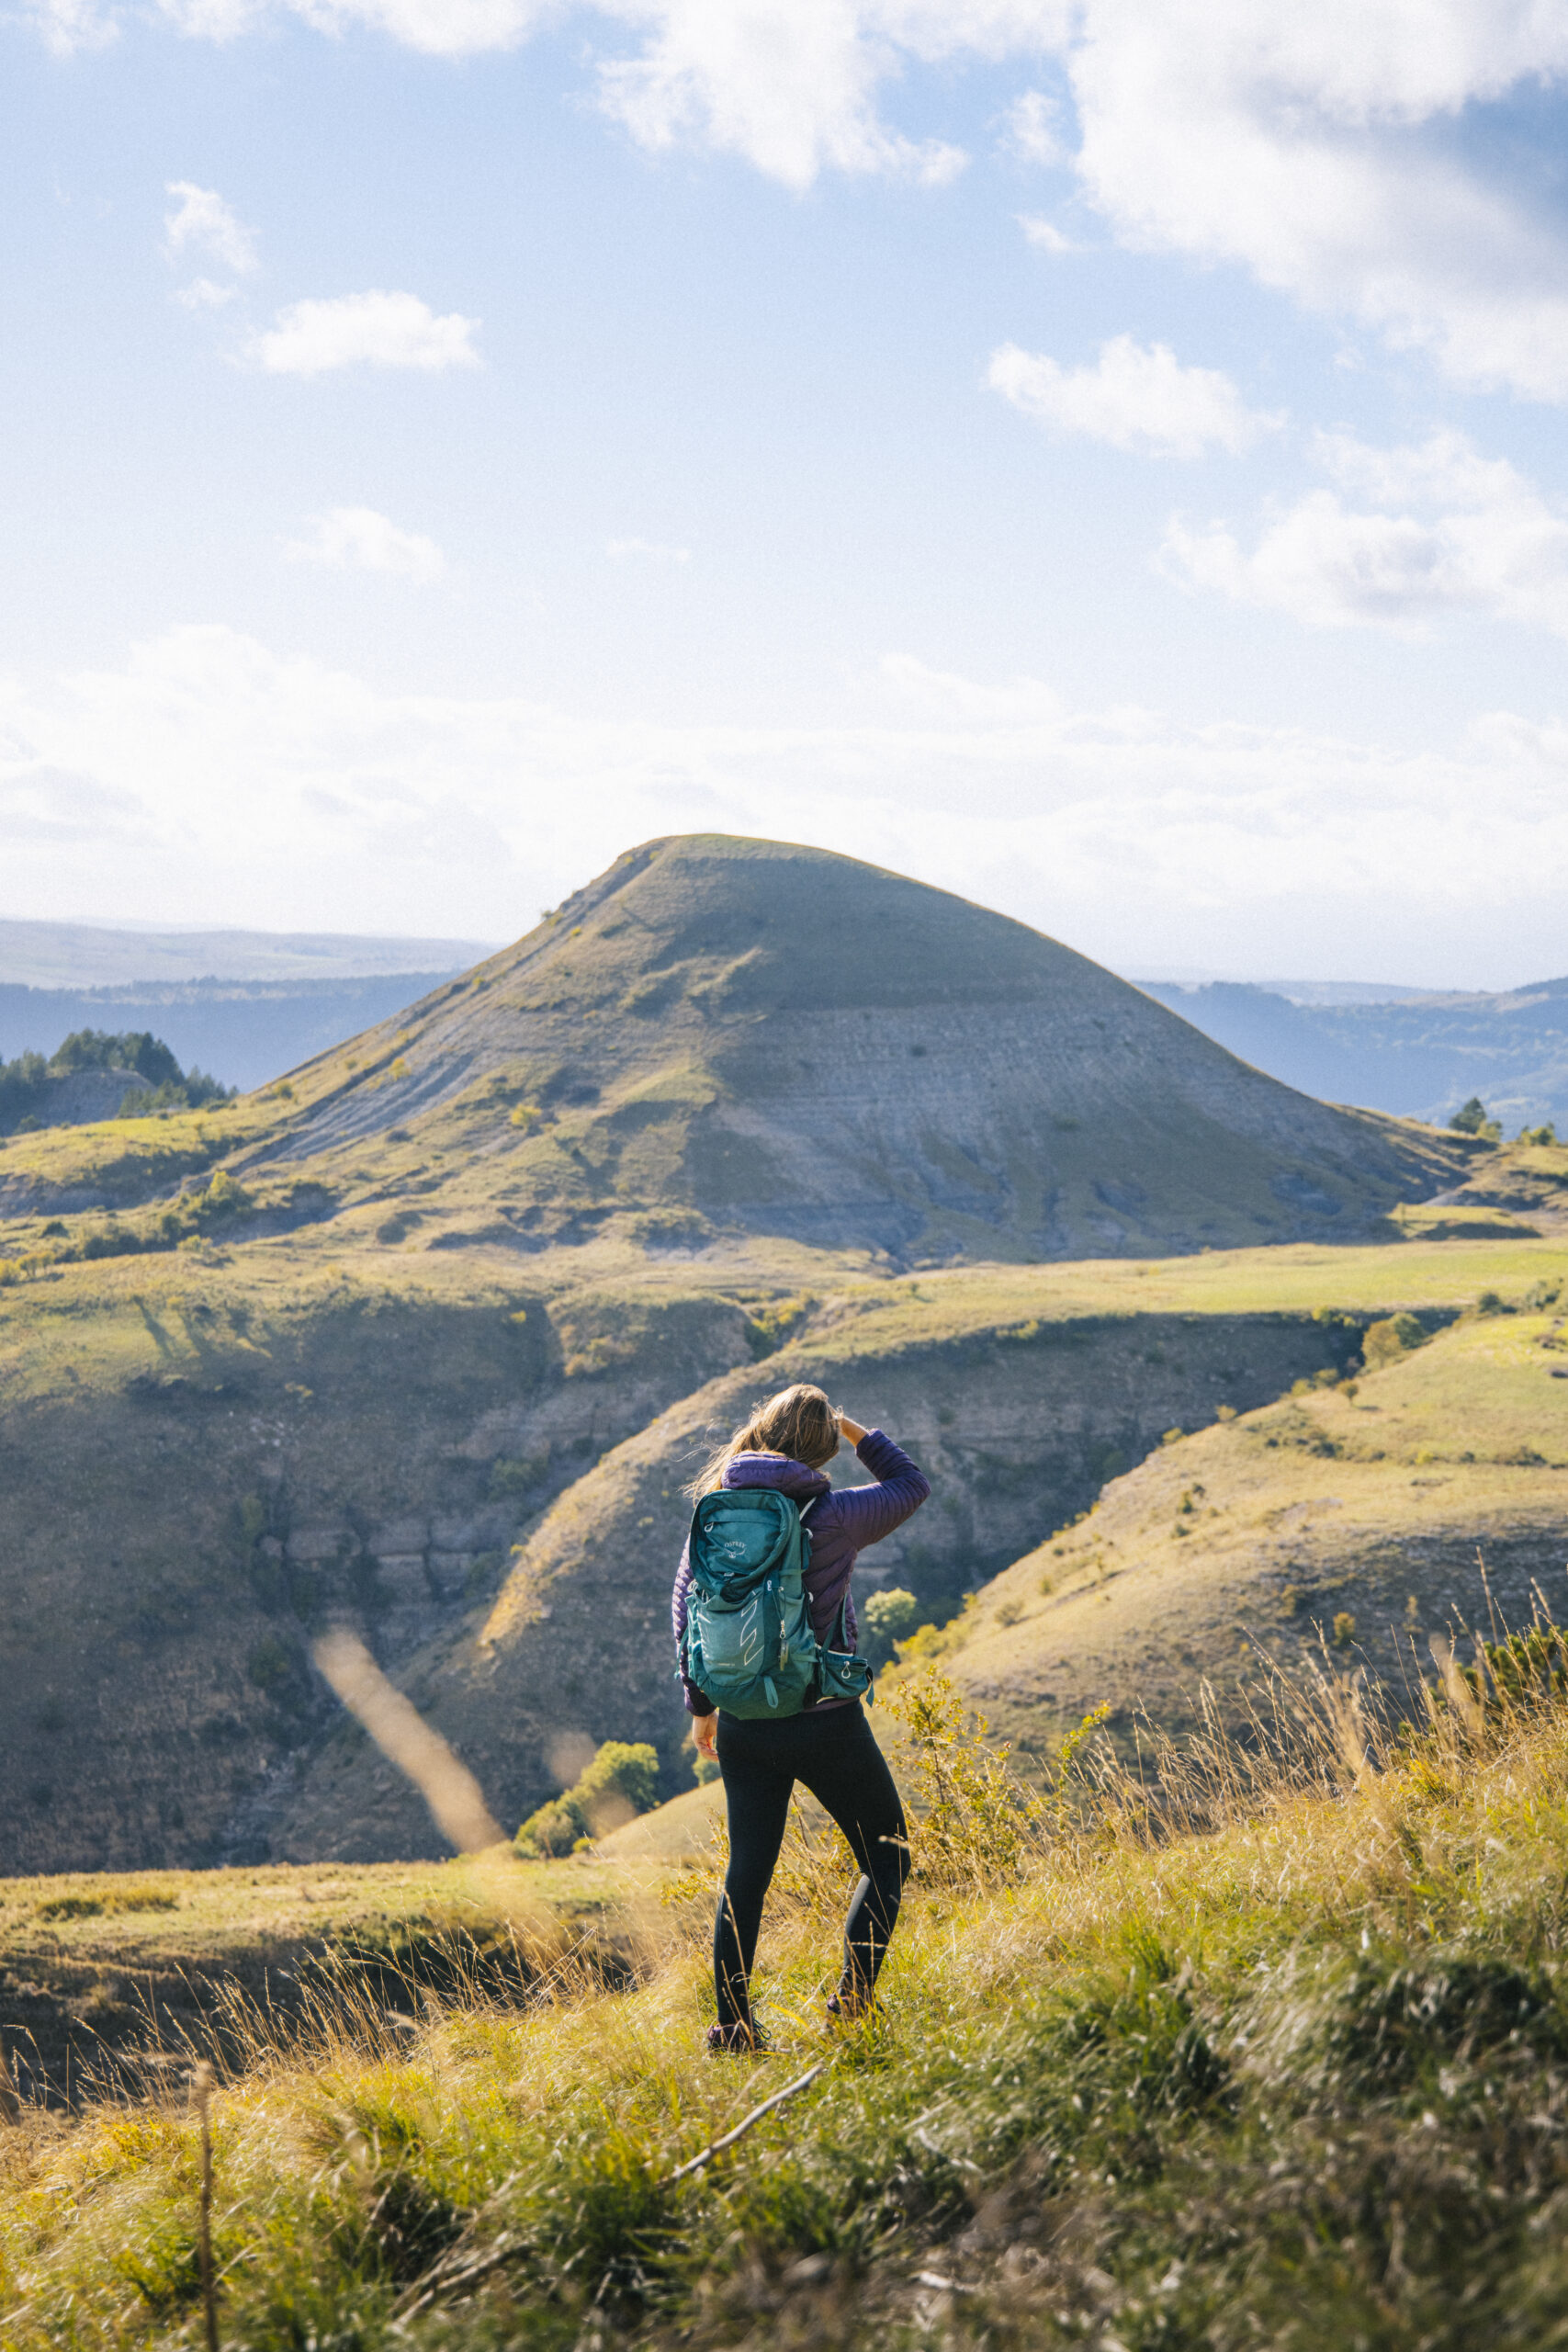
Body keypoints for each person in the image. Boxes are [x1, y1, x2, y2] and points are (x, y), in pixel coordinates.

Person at [671, 1381, 931, 2052]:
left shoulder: (715, 1508)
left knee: (746, 1876)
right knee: (887, 1856)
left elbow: (686, 1610)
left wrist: (701, 1707)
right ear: (819, 1451)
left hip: (743, 1721)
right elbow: (910, 1484)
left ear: (760, 1433)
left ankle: (732, 2028)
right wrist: (851, 1428)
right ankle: (850, 2004)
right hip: (823, 1720)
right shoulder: (835, 1514)